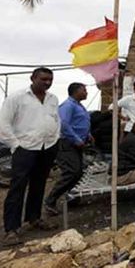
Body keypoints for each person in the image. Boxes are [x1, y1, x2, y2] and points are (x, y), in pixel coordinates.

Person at [0, 68, 60, 245]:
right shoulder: (17, 97)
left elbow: (56, 120)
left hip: (47, 148)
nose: (47, 83)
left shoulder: (53, 99)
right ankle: (11, 229)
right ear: (33, 78)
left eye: (50, 80)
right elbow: (1, 124)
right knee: (18, 188)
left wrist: (55, 139)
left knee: (38, 185)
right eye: (43, 79)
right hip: (25, 149)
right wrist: (16, 145)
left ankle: (34, 218)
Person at [44, 83, 93, 216]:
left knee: (79, 170)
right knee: (72, 171)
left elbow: (78, 123)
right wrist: (76, 139)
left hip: (77, 143)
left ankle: (72, 197)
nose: (86, 92)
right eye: (84, 90)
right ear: (76, 92)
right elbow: (64, 124)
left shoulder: (78, 105)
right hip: (67, 143)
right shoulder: (68, 105)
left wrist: (87, 135)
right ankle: (50, 201)